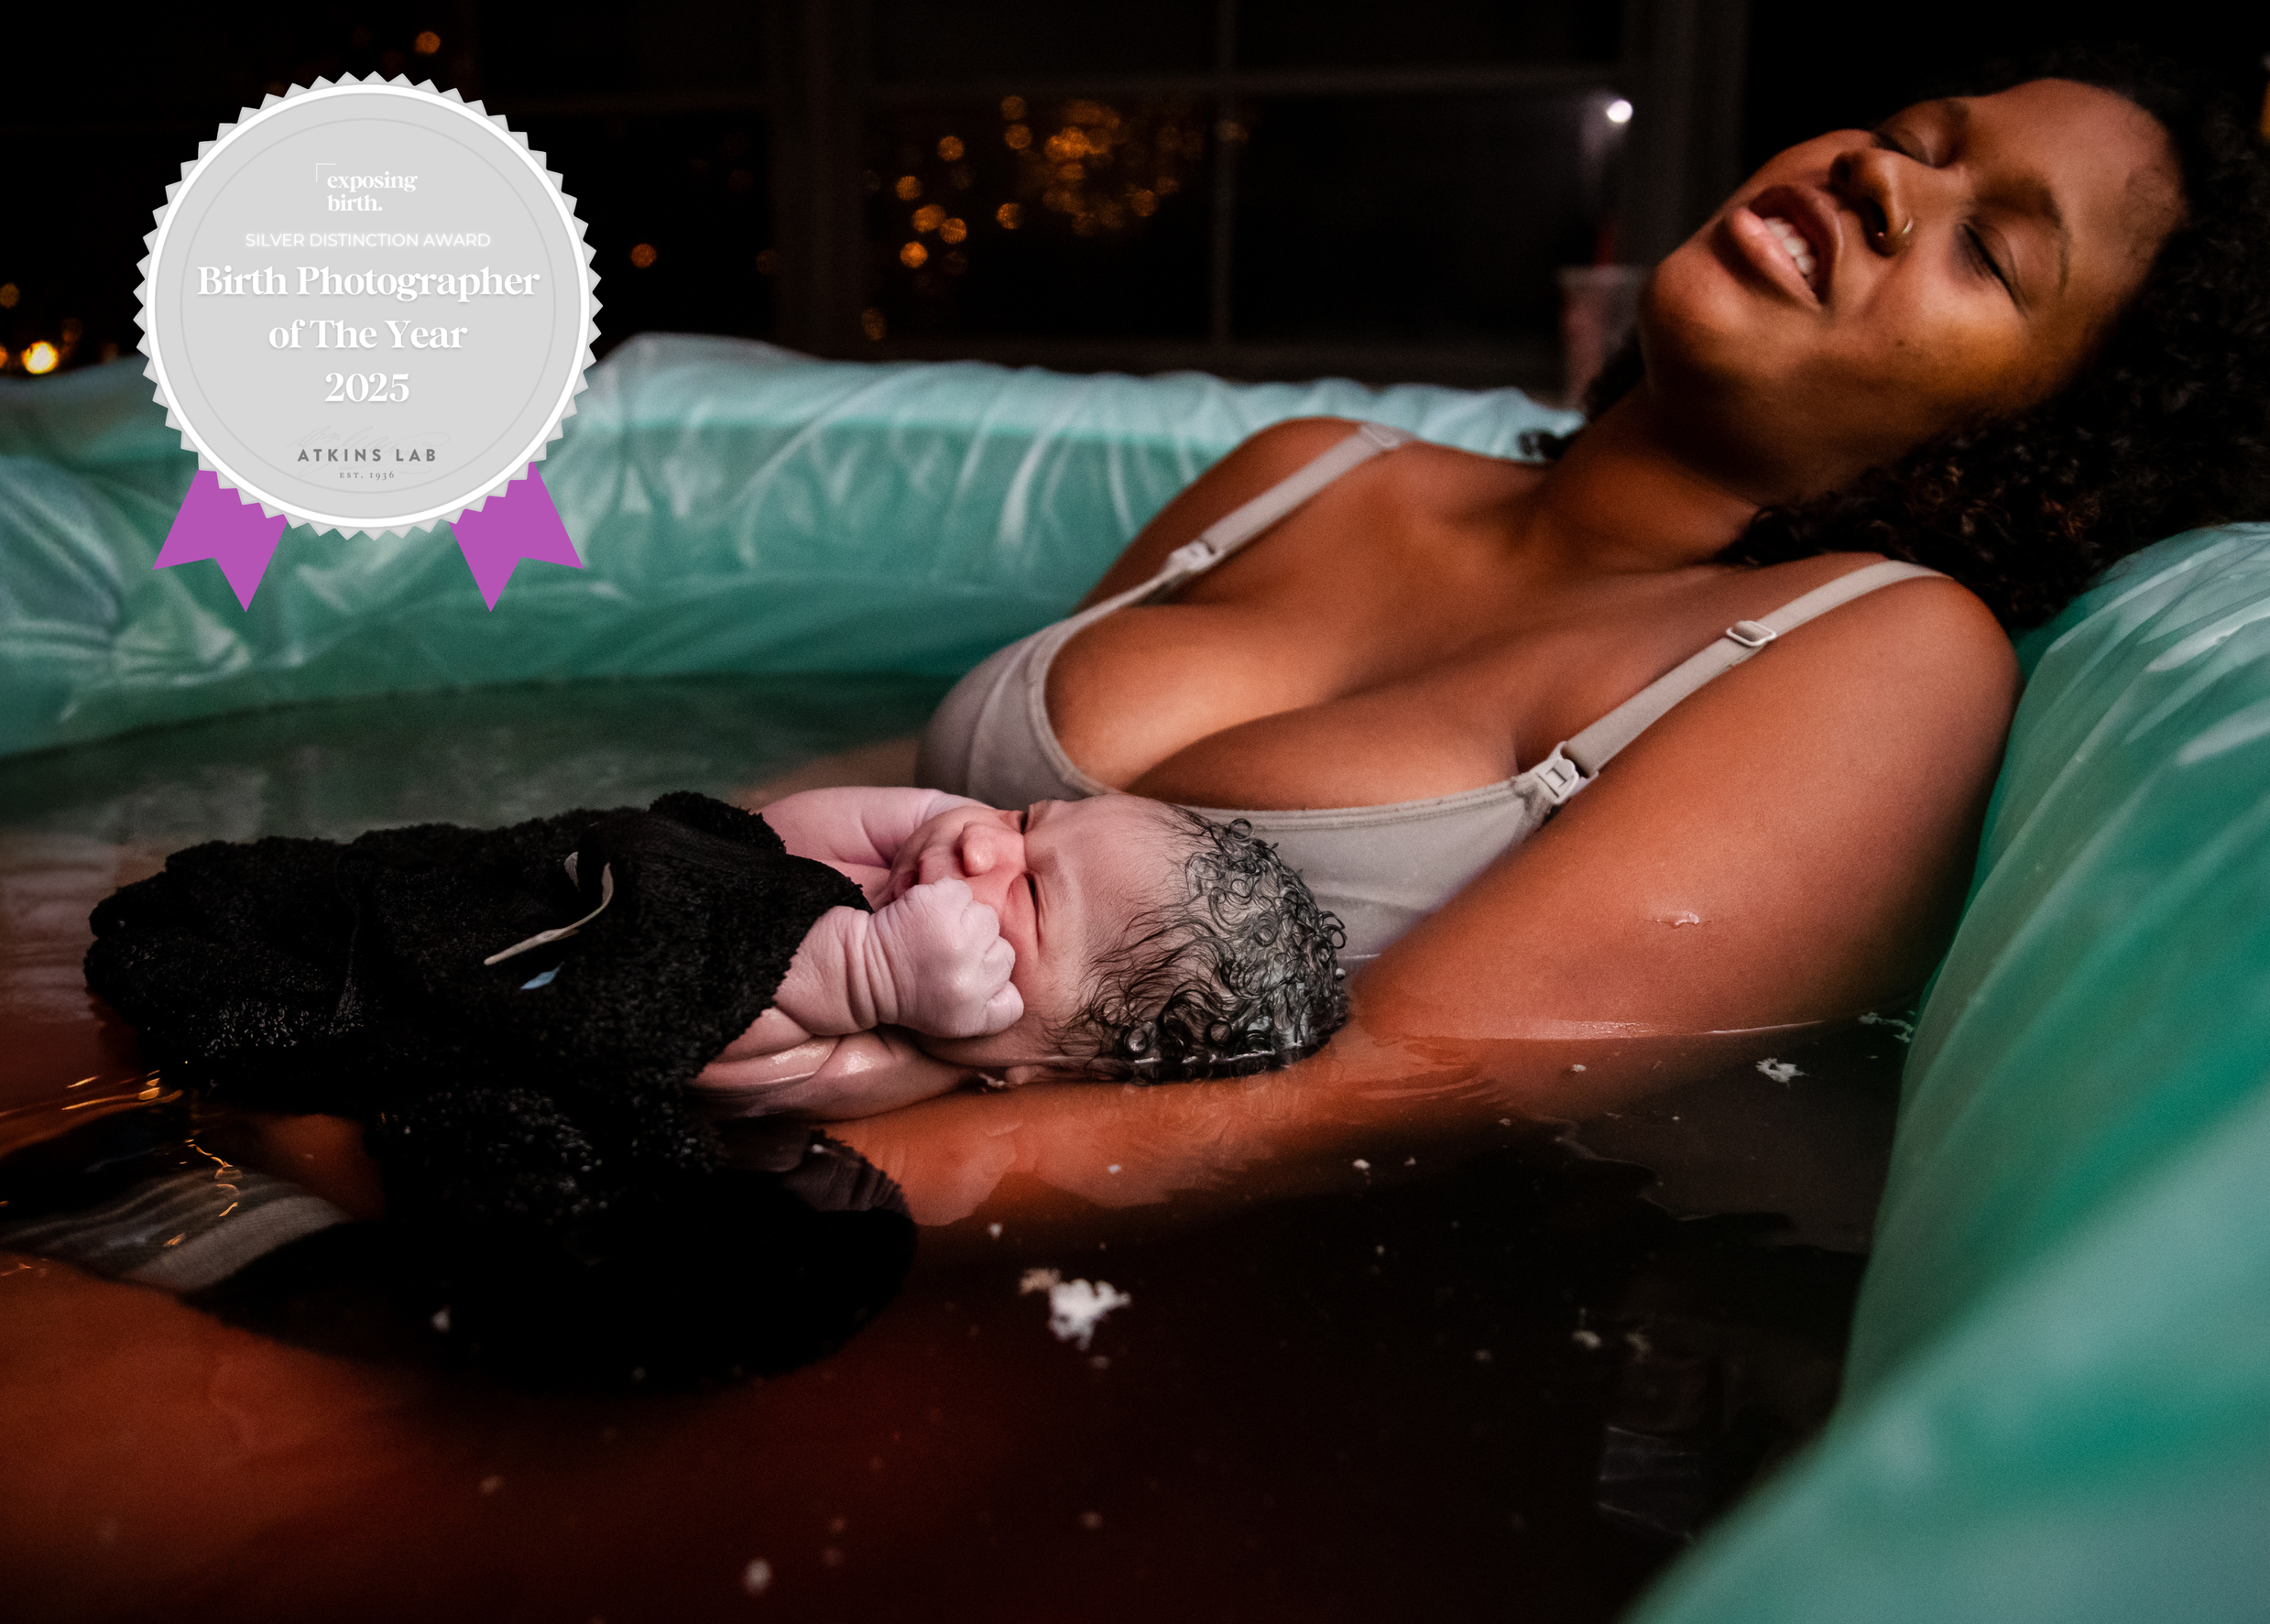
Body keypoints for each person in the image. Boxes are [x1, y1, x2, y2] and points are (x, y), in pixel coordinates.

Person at [833, 58, 2270, 1226]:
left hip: (1048, 1300)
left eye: (1991, 250)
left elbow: (1365, 1102)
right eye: (1912, 134)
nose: (1884, 180)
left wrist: (748, 1196)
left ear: (2043, 442)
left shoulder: (1878, 656)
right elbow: (914, 793)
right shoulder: (1307, 470)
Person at [694, 785, 1348, 1116]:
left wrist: (868, 977)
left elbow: (701, 1043)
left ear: (1032, 1063)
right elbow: (765, 834)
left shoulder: (890, 1051)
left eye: (1030, 894)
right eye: (1026, 818)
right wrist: (931, 812)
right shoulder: (915, 867)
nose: (981, 844)